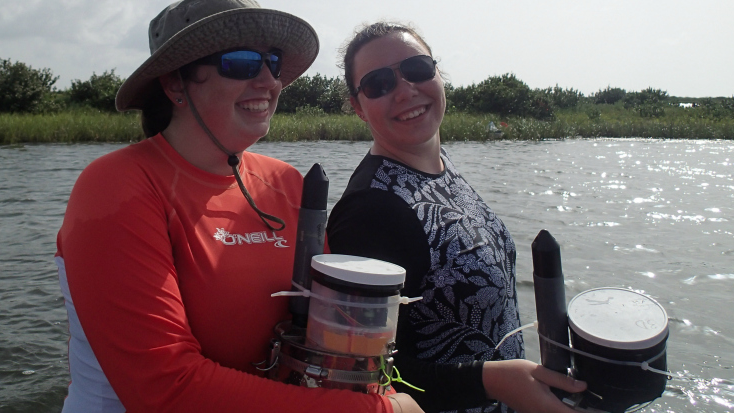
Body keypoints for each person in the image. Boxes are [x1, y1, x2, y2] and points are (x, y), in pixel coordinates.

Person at [55, 1, 421, 412]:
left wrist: (377, 392)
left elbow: (333, 332)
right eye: (243, 62)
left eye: (274, 62)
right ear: (176, 84)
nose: (268, 80)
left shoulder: (287, 183)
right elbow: (165, 390)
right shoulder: (116, 187)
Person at [326, 22, 587, 413]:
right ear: (358, 107)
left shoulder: (441, 166)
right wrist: (493, 382)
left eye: (416, 69)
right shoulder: (371, 211)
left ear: (437, 74)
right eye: (378, 84)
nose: (404, 90)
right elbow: (357, 373)